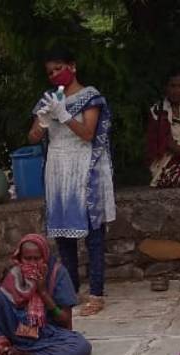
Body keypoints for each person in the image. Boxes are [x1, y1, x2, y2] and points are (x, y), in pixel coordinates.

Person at [29, 47, 115, 317]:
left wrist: (64, 115)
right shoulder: (48, 100)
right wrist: (43, 121)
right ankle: (70, 290)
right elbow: (32, 137)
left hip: (84, 166)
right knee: (64, 235)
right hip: (58, 167)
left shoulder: (90, 96)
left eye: (59, 68)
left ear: (72, 66)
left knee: (92, 233)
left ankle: (97, 294)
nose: (55, 74)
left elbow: (88, 133)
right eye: (50, 72)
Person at [0, 233, 92, 355]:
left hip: (45, 333)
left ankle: (24, 350)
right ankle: (2, 344)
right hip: (15, 327)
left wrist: (43, 292)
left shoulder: (58, 274)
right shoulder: (14, 273)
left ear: (45, 257)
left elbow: (65, 320)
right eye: (27, 259)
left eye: (37, 259)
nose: (32, 263)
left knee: (81, 348)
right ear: (20, 258)